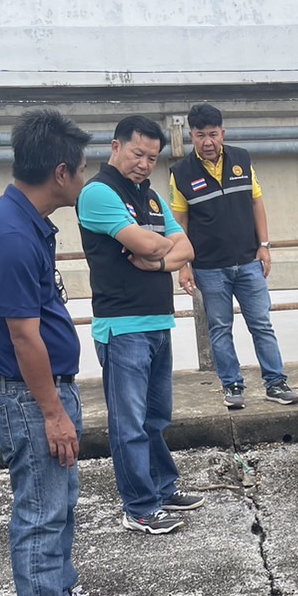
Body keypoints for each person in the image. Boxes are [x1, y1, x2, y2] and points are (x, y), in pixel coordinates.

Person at [0, 108, 116, 596]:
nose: (85, 179)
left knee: (60, 502)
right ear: (60, 173)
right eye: (82, 169)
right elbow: (24, 335)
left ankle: (58, 592)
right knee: (41, 510)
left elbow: (5, 314)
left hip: (30, 388)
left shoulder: (23, 224)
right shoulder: (11, 234)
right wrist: (52, 412)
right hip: (31, 398)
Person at [77, 115, 204, 536]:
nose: (144, 164)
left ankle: (162, 489)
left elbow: (186, 247)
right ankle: (139, 507)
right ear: (116, 146)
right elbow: (151, 242)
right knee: (129, 425)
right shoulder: (99, 192)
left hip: (158, 321)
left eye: (151, 157)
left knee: (155, 419)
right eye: (137, 154)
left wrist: (157, 261)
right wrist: (160, 249)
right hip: (122, 326)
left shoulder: (150, 197)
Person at [170, 103, 298, 410]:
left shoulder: (242, 159)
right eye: (200, 135)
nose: (208, 142)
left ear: (223, 133)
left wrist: (264, 245)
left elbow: (256, 203)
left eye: (213, 134)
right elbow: (179, 222)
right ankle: (232, 385)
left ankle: (275, 383)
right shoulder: (181, 173)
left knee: (262, 324)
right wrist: (183, 265)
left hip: (249, 262)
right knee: (220, 328)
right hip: (209, 268)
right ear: (191, 136)